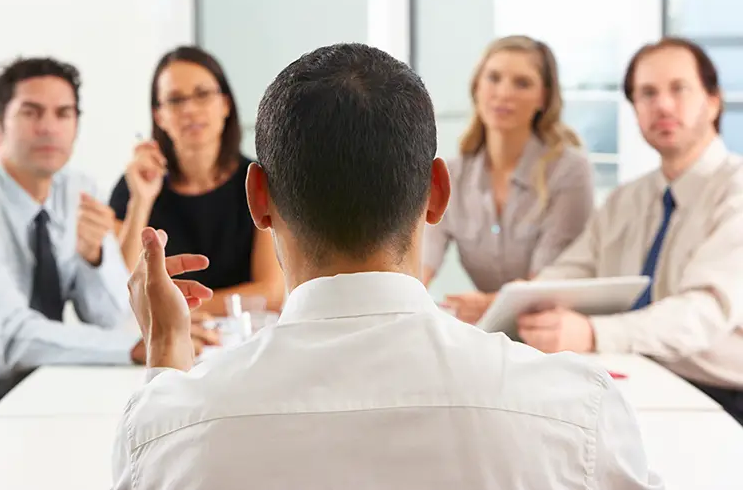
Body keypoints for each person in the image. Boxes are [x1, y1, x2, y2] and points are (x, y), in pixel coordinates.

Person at [112, 43, 661, 489]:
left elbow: (158, 450)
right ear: (437, 192)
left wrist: (166, 356)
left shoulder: (168, 428)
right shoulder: (577, 412)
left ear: (258, 199)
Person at [0, 58, 217, 484]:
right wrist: (131, 345)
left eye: (63, 113)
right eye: (31, 113)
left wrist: (95, 262)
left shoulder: (76, 188)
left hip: (36, 389)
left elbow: (104, 314)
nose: (49, 127)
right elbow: (12, 337)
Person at [517, 37, 743, 425]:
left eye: (679, 89)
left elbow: (703, 313)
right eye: (647, 93)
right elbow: (575, 269)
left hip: (724, 399)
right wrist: (518, 303)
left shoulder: (735, 190)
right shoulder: (628, 199)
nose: (663, 105)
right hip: (636, 379)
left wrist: (592, 333)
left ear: (713, 101)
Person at [423, 36, 593, 324]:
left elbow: (547, 288)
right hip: (490, 334)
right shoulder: (451, 175)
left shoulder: (569, 170)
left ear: (543, 97)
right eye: (493, 78)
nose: (503, 93)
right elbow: (417, 268)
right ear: (477, 86)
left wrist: (492, 305)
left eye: (522, 83)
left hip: (555, 331)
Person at [110, 46, 284, 316]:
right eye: (175, 100)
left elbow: (271, 292)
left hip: (244, 339)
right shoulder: (133, 187)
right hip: (163, 341)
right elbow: (120, 292)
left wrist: (181, 310)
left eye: (202, 94)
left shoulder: (259, 180)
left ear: (225, 104)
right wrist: (141, 201)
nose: (190, 109)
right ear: (159, 116)